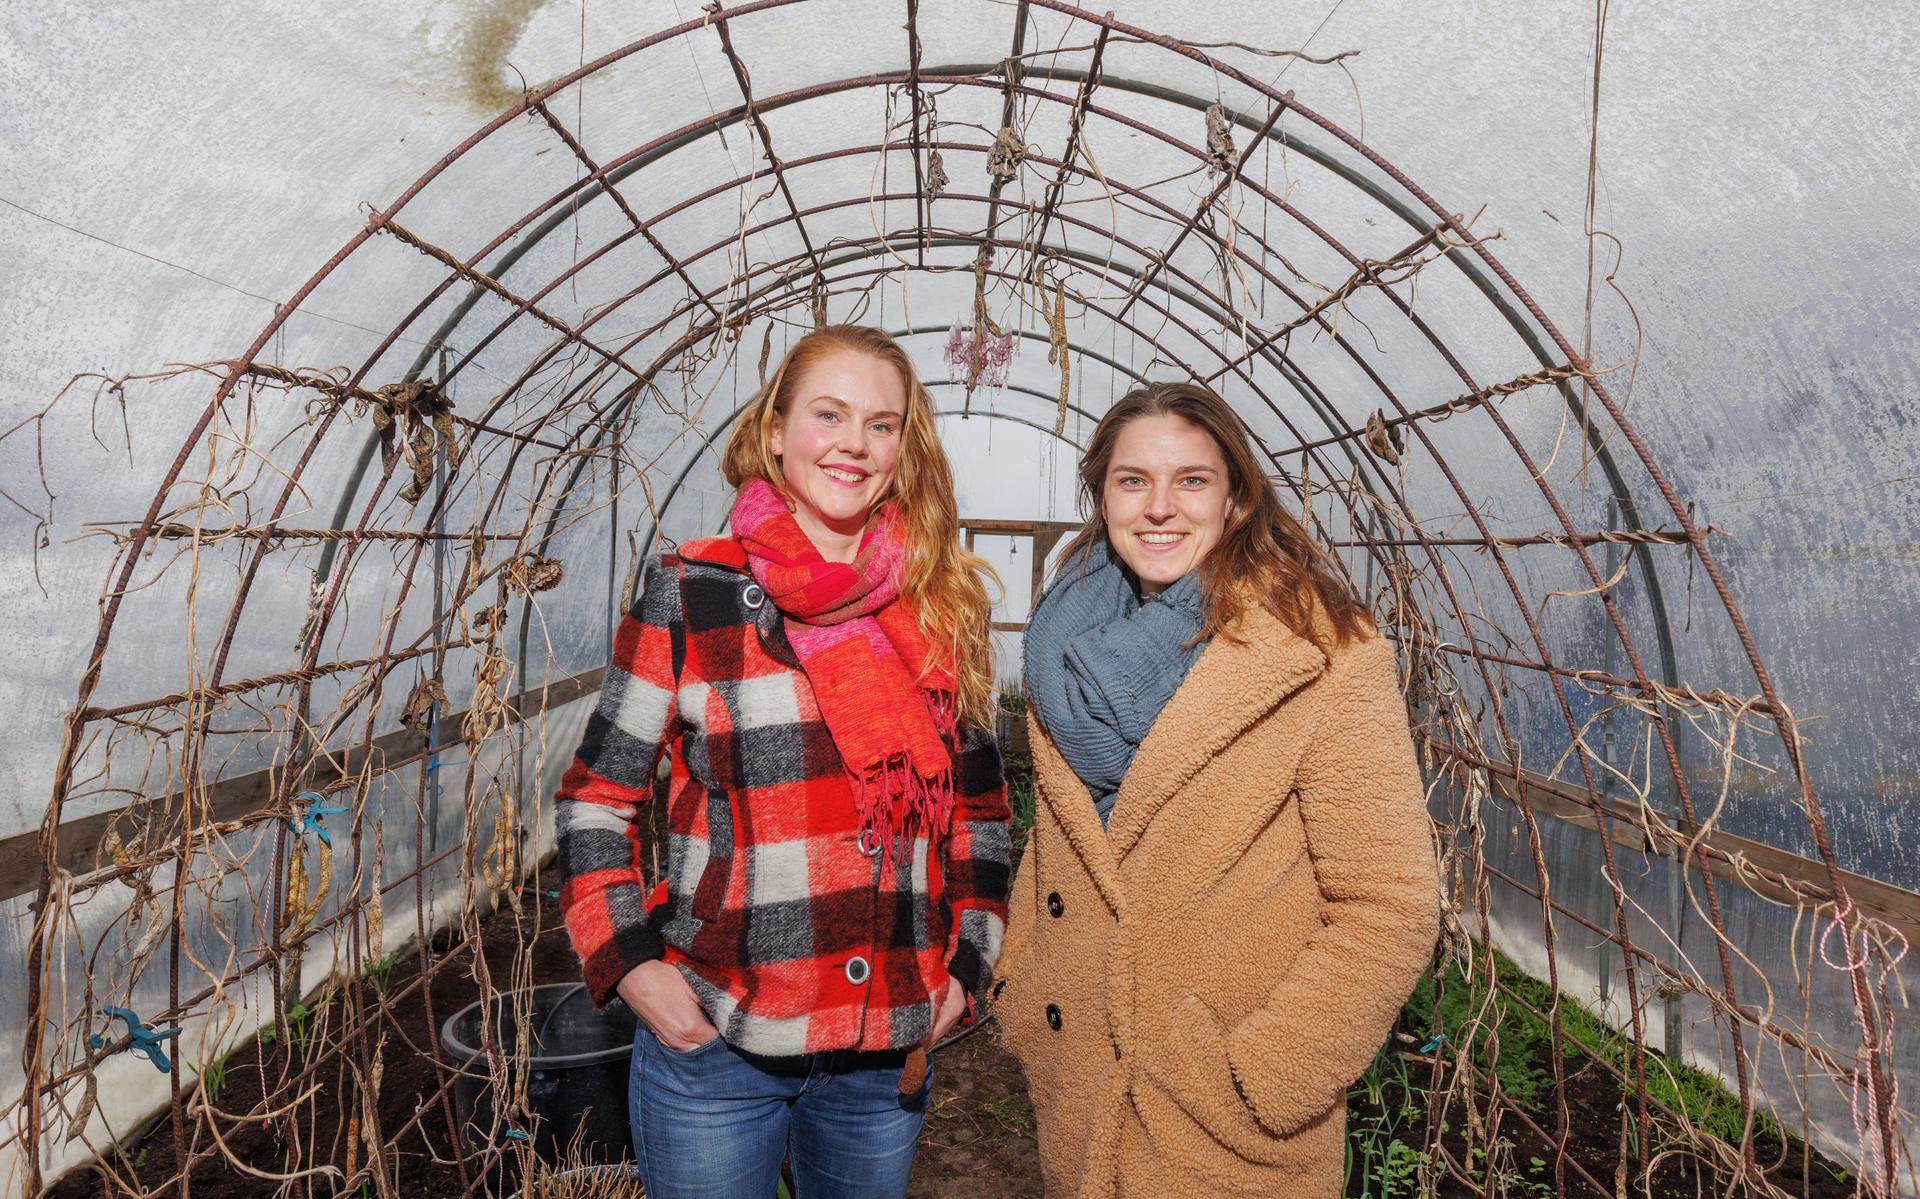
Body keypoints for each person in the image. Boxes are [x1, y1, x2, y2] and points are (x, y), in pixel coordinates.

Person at [554, 324, 1011, 1199]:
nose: (853, 443)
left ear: (904, 446)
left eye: (882, 424)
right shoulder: (693, 593)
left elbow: (980, 812)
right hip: (718, 1042)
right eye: (829, 414)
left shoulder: (939, 603)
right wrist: (632, 964)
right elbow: (595, 802)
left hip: (883, 1053)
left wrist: (968, 967)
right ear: (775, 430)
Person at [994, 381, 1438, 1197]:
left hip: (1221, 1124)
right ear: (1102, 494)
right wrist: (1019, 976)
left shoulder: (1321, 649)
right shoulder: (1068, 636)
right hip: (1079, 1081)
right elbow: (1071, 836)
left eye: (1191, 480)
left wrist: (1263, 1075)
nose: (1159, 507)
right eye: (1133, 481)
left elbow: (1390, 901)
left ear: (1235, 497)